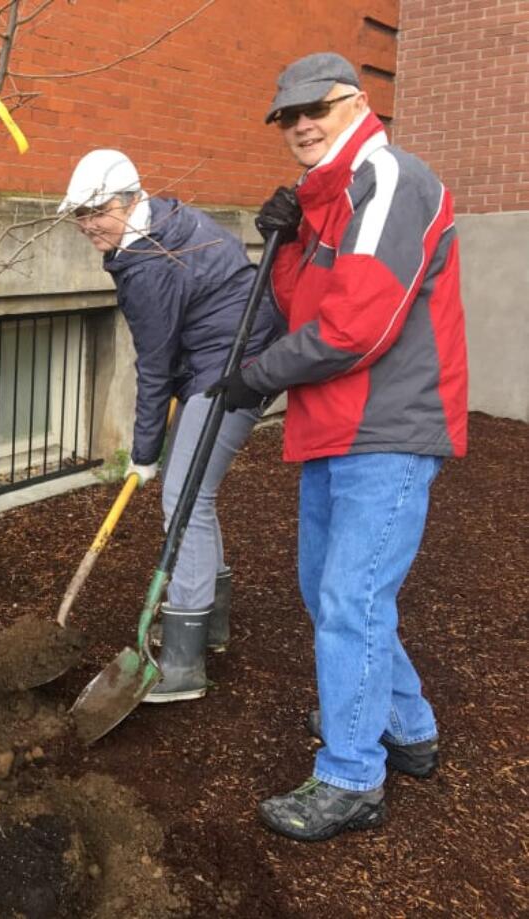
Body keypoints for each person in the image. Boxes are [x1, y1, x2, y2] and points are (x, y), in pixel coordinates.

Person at [215, 52, 468, 841]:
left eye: (313, 109)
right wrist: (286, 241)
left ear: (357, 102)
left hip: (384, 428)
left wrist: (257, 377)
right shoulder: (330, 199)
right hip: (335, 425)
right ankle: (411, 728)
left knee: (349, 599)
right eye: (286, 117)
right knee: (332, 591)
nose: (299, 126)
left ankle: (353, 778)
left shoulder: (389, 179)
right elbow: (303, 304)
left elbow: (358, 326)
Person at [59, 149, 282, 702]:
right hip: (231, 358)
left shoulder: (148, 266)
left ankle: (184, 663)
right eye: (79, 214)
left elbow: (153, 365)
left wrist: (143, 451)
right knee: (194, 494)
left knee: (184, 497)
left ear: (133, 198)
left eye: (98, 211)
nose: (88, 225)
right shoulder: (167, 221)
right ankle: (209, 625)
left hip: (231, 370)